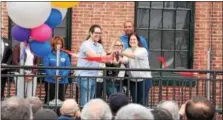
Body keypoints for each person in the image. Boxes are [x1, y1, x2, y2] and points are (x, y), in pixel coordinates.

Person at [76, 24, 110, 107]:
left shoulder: (99, 46)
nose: (98, 35)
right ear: (90, 33)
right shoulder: (85, 44)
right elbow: (95, 57)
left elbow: (104, 57)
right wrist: (104, 56)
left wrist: (109, 55)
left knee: (90, 101)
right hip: (84, 76)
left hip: (94, 76)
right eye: (96, 32)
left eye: (100, 33)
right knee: (85, 101)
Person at [120, 21, 151, 106]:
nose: (132, 41)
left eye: (134, 39)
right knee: (134, 101)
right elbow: (125, 60)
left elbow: (133, 56)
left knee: (142, 102)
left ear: (138, 40)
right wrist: (117, 57)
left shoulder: (142, 50)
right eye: (131, 39)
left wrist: (121, 52)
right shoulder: (127, 50)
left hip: (144, 79)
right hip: (133, 79)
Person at [43, 36, 71, 104]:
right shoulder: (48, 54)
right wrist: (53, 76)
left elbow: (68, 68)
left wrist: (61, 76)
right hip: (50, 81)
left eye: (60, 44)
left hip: (63, 81)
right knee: (49, 99)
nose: (58, 45)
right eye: (56, 44)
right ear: (53, 45)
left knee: (60, 100)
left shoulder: (65, 55)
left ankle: (59, 113)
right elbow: (46, 67)